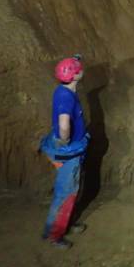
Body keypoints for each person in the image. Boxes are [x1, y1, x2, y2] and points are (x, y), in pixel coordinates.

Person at [39, 55, 90, 249]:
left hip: (73, 149)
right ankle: (54, 234)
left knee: (71, 189)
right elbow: (63, 123)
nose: (81, 68)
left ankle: (65, 222)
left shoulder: (64, 90)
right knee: (66, 192)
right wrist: (64, 140)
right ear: (75, 75)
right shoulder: (65, 97)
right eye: (79, 67)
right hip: (68, 152)